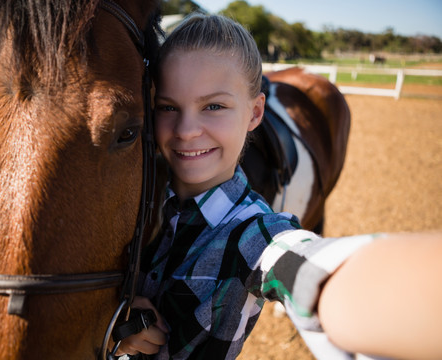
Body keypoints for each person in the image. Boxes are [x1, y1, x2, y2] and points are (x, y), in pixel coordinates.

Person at [113, 13, 442, 360]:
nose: (186, 130)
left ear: (255, 113)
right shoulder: (131, 192)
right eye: (168, 107)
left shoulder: (254, 236)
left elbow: (316, 272)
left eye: (214, 105)